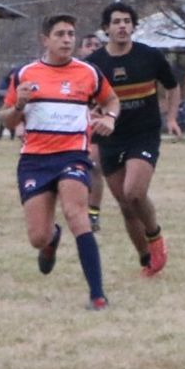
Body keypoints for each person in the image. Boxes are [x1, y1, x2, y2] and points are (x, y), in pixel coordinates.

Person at [0, 14, 119, 309]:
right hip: (35, 160)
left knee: (76, 213)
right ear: (46, 40)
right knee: (37, 237)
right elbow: (6, 118)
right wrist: (20, 105)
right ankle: (51, 239)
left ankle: (97, 295)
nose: (67, 39)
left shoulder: (88, 73)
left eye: (71, 34)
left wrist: (110, 119)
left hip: (73, 156)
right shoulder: (25, 73)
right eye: (60, 34)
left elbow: (112, 100)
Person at [86, 1, 181, 276]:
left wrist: (172, 118)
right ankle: (145, 259)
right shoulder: (94, 65)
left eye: (127, 21)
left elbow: (172, 88)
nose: (122, 26)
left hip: (144, 135)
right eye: (116, 22)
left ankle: (155, 236)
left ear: (134, 26)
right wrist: (93, 115)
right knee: (126, 207)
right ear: (106, 28)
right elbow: (84, 100)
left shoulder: (150, 56)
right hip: (111, 139)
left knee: (134, 192)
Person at [79, 33, 106, 231]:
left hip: (97, 127)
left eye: (97, 45)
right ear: (81, 49)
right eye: (89, 45)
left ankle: (93, 213)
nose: (93, 48)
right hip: (72, 127)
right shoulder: (75, 70)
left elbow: (114, 100)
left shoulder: (105, 72)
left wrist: (104, 114)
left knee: (94, 166)